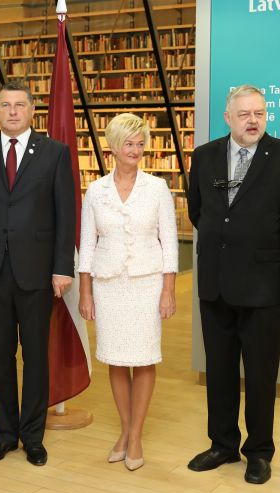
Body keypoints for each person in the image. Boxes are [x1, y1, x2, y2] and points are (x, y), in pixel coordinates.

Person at [186, 85, 280, 484]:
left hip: (263, 288)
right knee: (219, 372)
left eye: (259, 113)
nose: (253, 121)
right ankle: (222, 444)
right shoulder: (204, 156)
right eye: (244, 114)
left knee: (259, 376)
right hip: (216, 284)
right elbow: (198, 211)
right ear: (228, 118)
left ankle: (258, 452)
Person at [0, 80, 75, 466]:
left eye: (19, 105)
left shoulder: (54, 152)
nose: (12, 111)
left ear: (32, 111)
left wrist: (62, 267)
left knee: (36, 357)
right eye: (5, 105)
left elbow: (65, 214)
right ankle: (6, 434)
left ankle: (33, 436)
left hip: (38, 272)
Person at [77, 113, 178, 471]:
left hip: (147, 283)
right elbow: (87, 244)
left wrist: (168, 290)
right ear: (113, 148)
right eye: (128, 144)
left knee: (144, 357)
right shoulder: (96, 191)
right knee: (117, 359)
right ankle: (124, 430)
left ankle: (135, 436)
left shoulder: (158, 188)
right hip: (108, 285)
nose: (135, 150)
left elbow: (170, 242)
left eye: (140, 144)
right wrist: (85, 292)